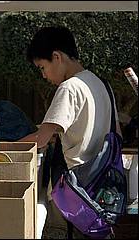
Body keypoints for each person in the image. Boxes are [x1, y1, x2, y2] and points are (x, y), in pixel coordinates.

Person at [19, 26, 122, 239]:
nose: (44, 75)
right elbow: (114, 134)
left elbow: (40, 139)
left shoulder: (69, 88)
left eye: (42, 67)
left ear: (56, 57)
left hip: (74, 195)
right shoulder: (102, 84)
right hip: (100, 190)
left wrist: (2, 147)